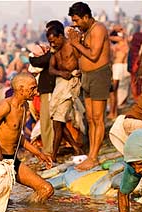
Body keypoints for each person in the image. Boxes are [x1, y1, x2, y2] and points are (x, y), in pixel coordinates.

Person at [0, 72, 54, 203]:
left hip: (13, 161)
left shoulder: (25, 106)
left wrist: (39, 154)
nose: (36, 92)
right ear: (21, 89)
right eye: (32, 88)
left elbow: (17, 136)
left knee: (46, 189)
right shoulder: (5, 106)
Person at [68, 2, 112, 171]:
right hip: (86, 76)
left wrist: (76, 43)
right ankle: (91, 155)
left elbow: (94, 55)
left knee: (98, 118)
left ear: (86, 17)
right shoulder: (85, 32)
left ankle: (94, 156)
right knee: (90, 118)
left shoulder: (99, 28)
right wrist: (76, 41)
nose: (75, 24)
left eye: (77, 20)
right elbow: (80, 54)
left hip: (99, 74)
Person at [46, 20, 85, 162]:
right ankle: (76, 148)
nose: (52, 44)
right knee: (58, 122)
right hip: (60, 85)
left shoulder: (71, 45)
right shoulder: (55, 51)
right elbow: (51, 69)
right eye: (50, 42)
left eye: (54, 41)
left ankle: (53, 156)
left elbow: (82, 60)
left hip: (71, 86)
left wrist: (80, 72)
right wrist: (61, 73)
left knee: (58, 122)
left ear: (60, 36)